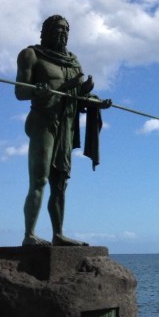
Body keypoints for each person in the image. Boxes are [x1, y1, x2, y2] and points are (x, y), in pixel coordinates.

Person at [15, 15, 111, 246]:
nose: (63, 33)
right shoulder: (31, 55)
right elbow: (20, 91)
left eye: (66, 29)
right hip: (43, 122)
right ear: (46, 30)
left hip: (66, 125)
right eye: (59, 28)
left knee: (60, 184)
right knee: (39, 179)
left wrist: (92, 99)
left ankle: (58, 234)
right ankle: (29, 235)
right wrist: (38, 91)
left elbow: (77, 98)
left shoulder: (73, 62)